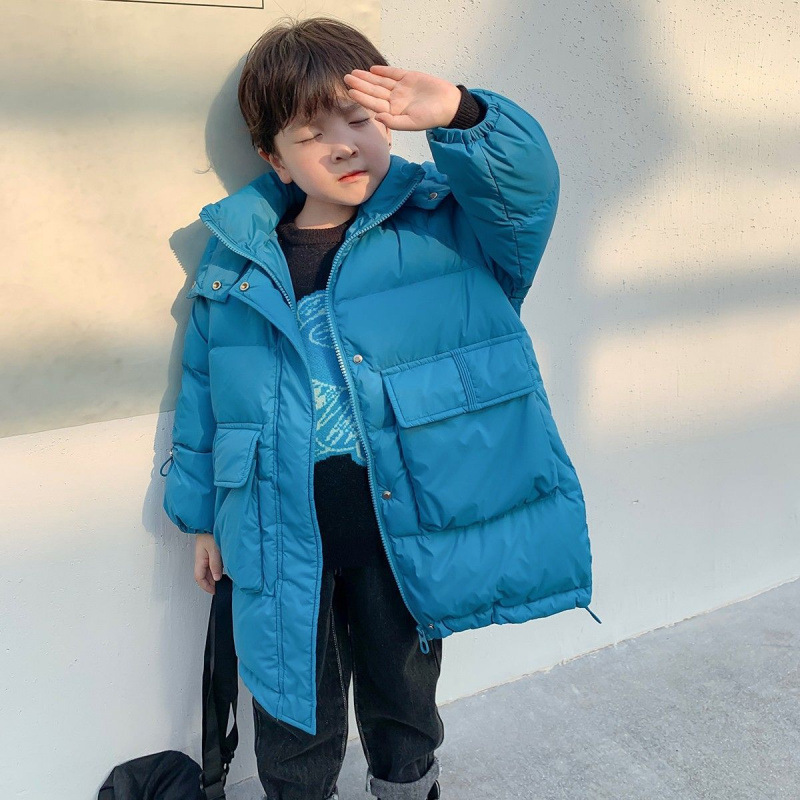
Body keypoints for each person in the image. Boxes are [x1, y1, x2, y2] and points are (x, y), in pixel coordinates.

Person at [161, 14, 596, 800]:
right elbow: (204, 395)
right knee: (291, 695)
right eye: (312, 134)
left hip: (404, 525)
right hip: (277, 523)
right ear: (275, 158)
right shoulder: (237, 263)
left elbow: (527, 191)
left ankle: (406, 785)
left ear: (389, 120)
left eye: (359, 119)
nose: (344, 146)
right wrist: (199, 518)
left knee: (404, 689)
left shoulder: (450, 229)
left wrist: (462, 112)